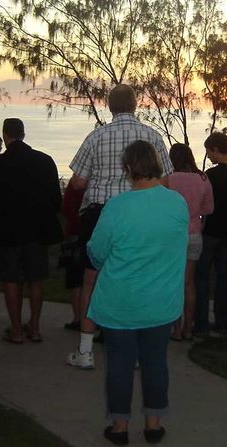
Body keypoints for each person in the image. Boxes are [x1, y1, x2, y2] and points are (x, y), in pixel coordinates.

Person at [87, 140, 188, 446]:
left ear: (129, 168)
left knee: (119, 363)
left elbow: (97, 252)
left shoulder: (117, 206)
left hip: (120, 302)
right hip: (161, 302)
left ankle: (119, 428)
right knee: (155, 361)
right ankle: (153, 425)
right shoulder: (177, 203)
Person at [66, 84, 173, 369]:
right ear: (135, 105)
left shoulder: (96, 136)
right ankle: (136, 353)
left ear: (110, 106)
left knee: (91, 281)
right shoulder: (152, 136)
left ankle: (85, 351)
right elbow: (165, 181)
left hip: (99, 213)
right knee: (137, 277)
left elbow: (78, 182)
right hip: (142, 214)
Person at [0, 118, 62, 344]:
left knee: (11, 279)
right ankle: (35, 328)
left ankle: (17, 330)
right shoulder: (44, 161)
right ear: (23, 134)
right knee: (35, 279)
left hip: (8, 230)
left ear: (5, 135)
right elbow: (55, 198)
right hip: (37, 230)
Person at [194, 132, 227, 336]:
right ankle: (223, 322)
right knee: (224, 277)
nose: (208, 156)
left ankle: (201, 322)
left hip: (210, 231)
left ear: (215, 149)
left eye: (209, 151)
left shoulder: (210, 175)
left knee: (202, 277)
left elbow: (203, 201)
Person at [165, 143, 214, 341]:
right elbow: (208, 209)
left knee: (174, 282)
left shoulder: (168, 179)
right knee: (189, 282)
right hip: (194, 233)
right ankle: (188, 328)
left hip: (172, 235)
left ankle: (176, 328)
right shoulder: (203, 178)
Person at [61, 179, 86, 331]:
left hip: (75, 234)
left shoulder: (75, 184)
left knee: (76, 280)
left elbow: (66, 208)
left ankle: (78, 318)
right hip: (94, 233)